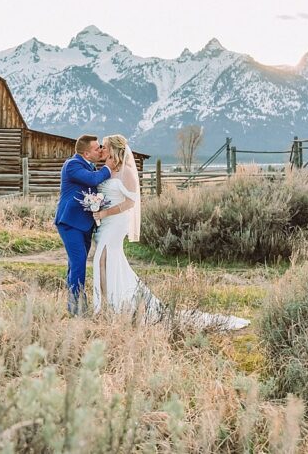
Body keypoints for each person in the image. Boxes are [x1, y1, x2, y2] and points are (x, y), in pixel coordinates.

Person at [91, 134, 249, 330]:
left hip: (115, 222)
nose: (101, 149)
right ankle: (108, 305)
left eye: (104, 146)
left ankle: (106, 307)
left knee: (103, 257)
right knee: (105, 260)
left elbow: (131, 202)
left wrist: (105, 212)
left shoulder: (127, 172)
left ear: (114, 149)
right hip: (105, 222)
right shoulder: (106, 170)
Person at [55, 134, 112, 315]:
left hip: (84, 225)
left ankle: (73, 305)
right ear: (86, 153)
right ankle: (77, 308)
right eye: (97, 148)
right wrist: (109, 167)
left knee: (75, 264)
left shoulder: (89, 165)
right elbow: (93, 180)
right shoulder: (72, 165)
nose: (100, 150)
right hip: (70, 222)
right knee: (79, 263)